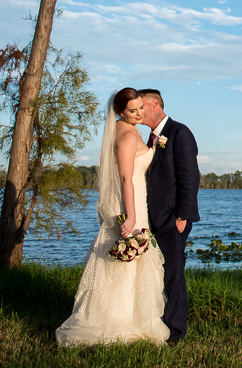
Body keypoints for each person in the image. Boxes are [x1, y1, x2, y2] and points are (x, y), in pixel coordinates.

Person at [55, 87, 170, 346]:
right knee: (128, 262)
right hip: (131, 204)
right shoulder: (127, 138)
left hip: (130, 201)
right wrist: (131, 215)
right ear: (120, 111)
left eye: (141, 107)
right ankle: (121, 321)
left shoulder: (123, 129)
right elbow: (126, 178)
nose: (139, 113)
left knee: (125, 263)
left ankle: (126, 315)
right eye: (133, 110)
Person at [139, 88, 200, 343]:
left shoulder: (179, 133)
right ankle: (155, 322)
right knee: (156, 273)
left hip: (173, 218)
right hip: (152, 217)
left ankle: (175, 332)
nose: (138, 111)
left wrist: (182, 216)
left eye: (141, 106)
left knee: (173, 274)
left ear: (155, 105)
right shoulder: (153, 137)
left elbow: (190, 177)